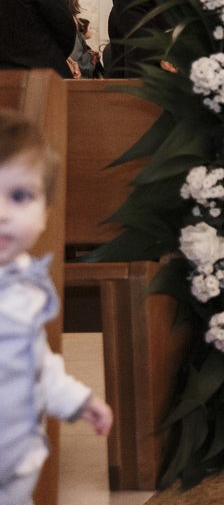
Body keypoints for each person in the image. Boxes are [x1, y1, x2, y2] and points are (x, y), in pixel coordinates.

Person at [0, 110, 113, 503]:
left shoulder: (27, 283)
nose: (2, 214)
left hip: (16, 460)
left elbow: (37, 362)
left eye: (19, 196)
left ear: (46, 211)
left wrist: (77, 400)